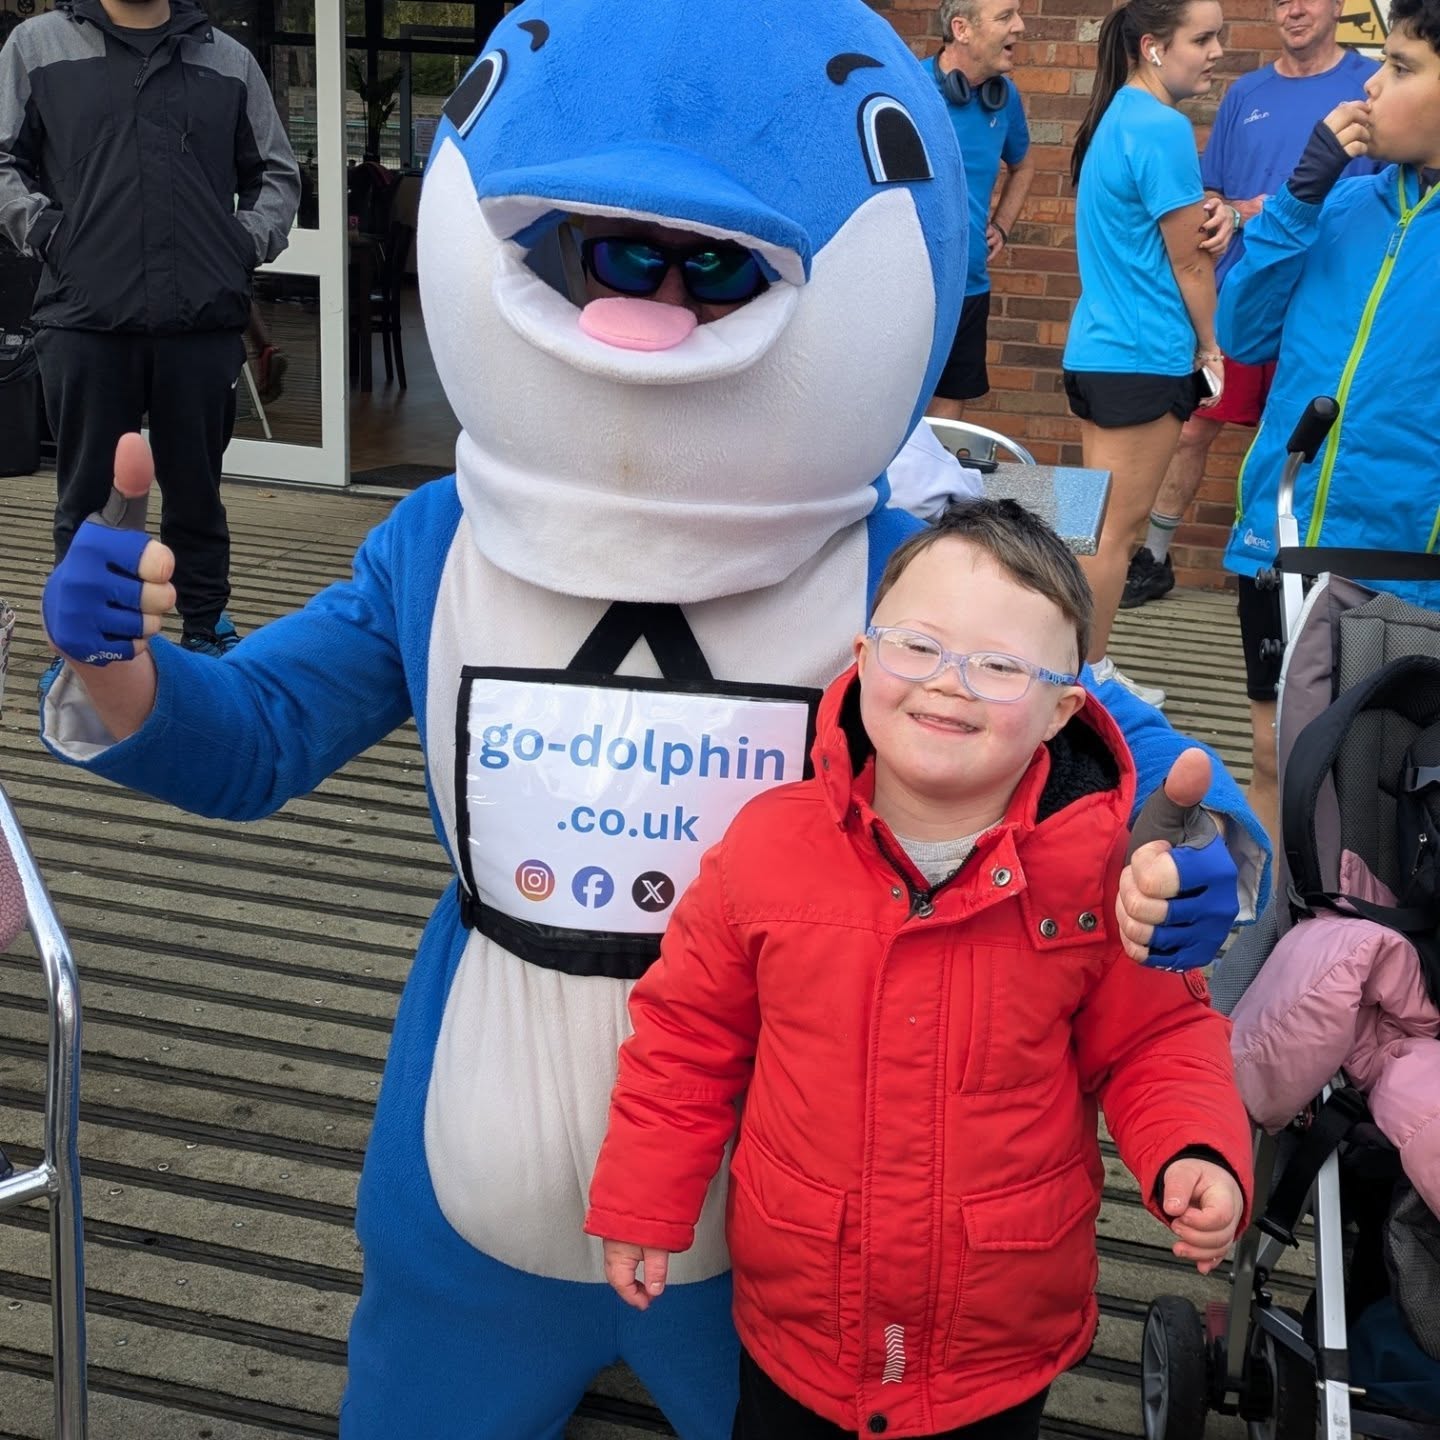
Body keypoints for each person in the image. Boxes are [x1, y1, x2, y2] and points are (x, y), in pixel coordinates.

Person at [35, 1, 1266, 1434]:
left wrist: (1184, 865)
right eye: (614, 251)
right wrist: (123, 668)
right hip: (474, 1157)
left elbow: (1123, 760)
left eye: (710, 265)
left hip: (788, 1225)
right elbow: (252, 738)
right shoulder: (440, 547)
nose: (658, 281)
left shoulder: (905, 581)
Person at [587, 498, 1253, 1440]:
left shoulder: (1103, 874)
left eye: (999, 665)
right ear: (861, 658)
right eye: (916, 645)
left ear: (1065, 708)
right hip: (801, 1320)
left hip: (994, 1335)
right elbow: (688, 1039)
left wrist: (1193, 1149)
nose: (950, 685)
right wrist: (647, 1197)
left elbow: (1158, 1038)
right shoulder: (766, 849)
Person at [0, 0, 299, 675]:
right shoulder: (37, 47)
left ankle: (205, 621)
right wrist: (48, 233)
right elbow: (4, 163)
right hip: (84, 320)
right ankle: (84, 637)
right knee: (86, 492)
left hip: (199, 323)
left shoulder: (226, 59)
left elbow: (276, 175)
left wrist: (237, 244)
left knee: (197, 487)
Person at [1217, 0, 1440, 842]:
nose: (1373, 85)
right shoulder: (1340, 207)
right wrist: (1298, 198)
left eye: (1404, 66)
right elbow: (1243, 332)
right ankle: (1280, 947)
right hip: (1283, 541)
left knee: (1386, 786)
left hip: (1404, 566)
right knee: (1277, 759)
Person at [1121, 0, 1380, 611]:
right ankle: (1154, 557)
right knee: (1193, 428)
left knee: (1309, 435)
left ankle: (1304, 578)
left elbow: (1378, 192)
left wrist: (1264, 207)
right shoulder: (1246, 92)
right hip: (1249, 286)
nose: (1294, 10)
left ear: (1338, 6)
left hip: (1328, 295)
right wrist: (1217, 210)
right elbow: (1216, 186)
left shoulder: (1367, 82)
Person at [1062, 0, 1232, 708]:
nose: (1217, 50)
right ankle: (1085, 680)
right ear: (1154, 47)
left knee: (1091, 527)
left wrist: (1214, 216)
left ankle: (1077, 670)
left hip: (1101, 352)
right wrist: (1212, 346)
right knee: (1114, 534)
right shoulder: (1161, 125)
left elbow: (1165, 236)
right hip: (1143, 358)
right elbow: (1189, 267)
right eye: (1204, 37)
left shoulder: (1116, 117)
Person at [926, 0, 1034, 420]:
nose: (1020, 27)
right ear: (962, 28)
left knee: (950, 404)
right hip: (914, 286)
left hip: (970, 284)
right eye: (1006, 16)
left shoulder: (1003, 98)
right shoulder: (910, 90)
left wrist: (1003, 225)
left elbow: (1023, 165)